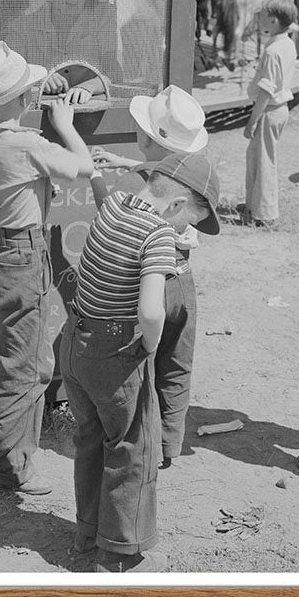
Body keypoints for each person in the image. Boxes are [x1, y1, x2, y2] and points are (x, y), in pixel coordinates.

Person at [60, 152, 219, 572]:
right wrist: (149, 346)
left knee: (91, 440)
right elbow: (151, 312)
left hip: (75, 342)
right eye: (190, 223)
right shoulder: (158, 233)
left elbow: (97, 181)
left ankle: (87, 534)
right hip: (115, 354)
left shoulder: (114, 204)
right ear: (177, 206)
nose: (185, 232)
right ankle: (118, 556)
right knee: (133, 449)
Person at [0, 42, 94, 495]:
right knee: (27, 366)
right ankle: (5, 467)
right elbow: (83, 167)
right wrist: (64, 124)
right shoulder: (27, 143)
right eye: (29, 91)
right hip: (23, 256)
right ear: (20, 100)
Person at [89, 85, 214, 470]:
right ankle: (169, 445)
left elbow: (110, 209)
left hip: (151, 280)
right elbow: (156, 165)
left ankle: (142, 438)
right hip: (183, 279)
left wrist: (98, 173)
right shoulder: (185, 175)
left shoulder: (138, 189)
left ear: (144, 135)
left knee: (144, 360)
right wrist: (123, 161)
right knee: (177, 363)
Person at [242, 0, 299, 227]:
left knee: (263, 161)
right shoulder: (285, 43)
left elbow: (266, 91)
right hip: (278, 109)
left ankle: (265, 214)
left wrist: (252, 120)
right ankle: (256, 206)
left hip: (269, 110)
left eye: (263, 15)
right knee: (259, 158)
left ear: (273, 20)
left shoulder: (273, 51)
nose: (260, 18)